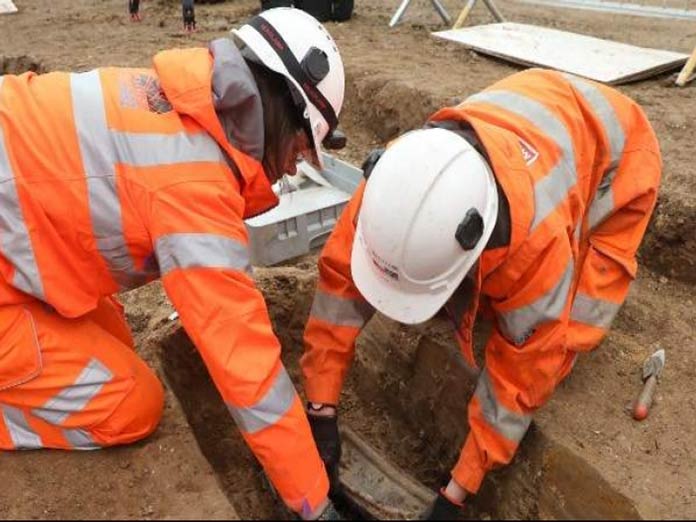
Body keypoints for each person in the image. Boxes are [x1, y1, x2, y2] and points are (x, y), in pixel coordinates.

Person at [0, 7, 345, 520]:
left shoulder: (188, 105)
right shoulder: (194, 184)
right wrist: (316, 504)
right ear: (280, 109)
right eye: (302, 146)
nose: (296, 165)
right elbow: (246, 368)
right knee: (130, 404)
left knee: (111, 337)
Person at [301, 68, 661, 519]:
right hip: (529, 106)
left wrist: (457, 492)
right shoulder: (399, 180)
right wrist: (320, 407)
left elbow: (518, 381)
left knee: (568, 332)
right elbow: (340, 282)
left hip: (621, 157)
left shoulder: (538, 249)